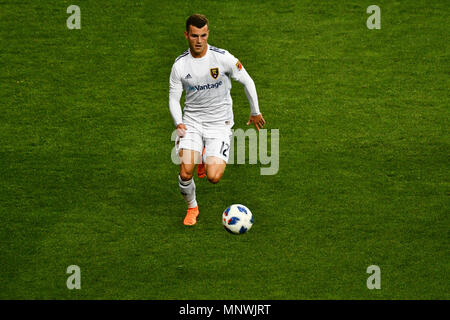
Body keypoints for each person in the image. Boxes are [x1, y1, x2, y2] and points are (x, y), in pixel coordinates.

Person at [169, 14, 265, 226]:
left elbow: (247, 81)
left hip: (219, 124)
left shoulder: (222, 59)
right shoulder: (180, 66)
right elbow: (174, 98)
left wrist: (255, 111)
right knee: (185, 171)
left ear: (208, 34)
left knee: (214, 177)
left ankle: (204, 155)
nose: (199, 41)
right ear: (187, 35)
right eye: (194, 35)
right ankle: (192, 207)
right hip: (192, 122)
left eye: (203, 35)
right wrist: (179, 122)